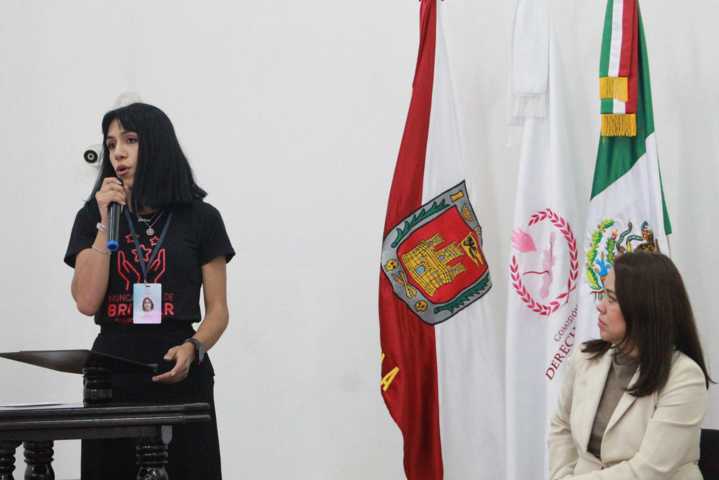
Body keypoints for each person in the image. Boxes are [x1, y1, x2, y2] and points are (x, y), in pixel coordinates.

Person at [64, 102, 234, 479]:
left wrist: (194, 348)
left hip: (178, 366)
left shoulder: (202, 218)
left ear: (157, 144)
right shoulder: (94, 216)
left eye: (130, 140)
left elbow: (219, 310)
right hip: (112, 372)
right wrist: (104, 222)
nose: (118, 153)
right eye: (111, 144)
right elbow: (87, 301)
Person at [549, 251, 712, 479]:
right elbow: (562, 426)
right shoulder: (585, 358)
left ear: (644, 308)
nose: (600, 306)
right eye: (603, 295)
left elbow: (647, 471)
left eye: (612, 299)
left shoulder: (685, 376)